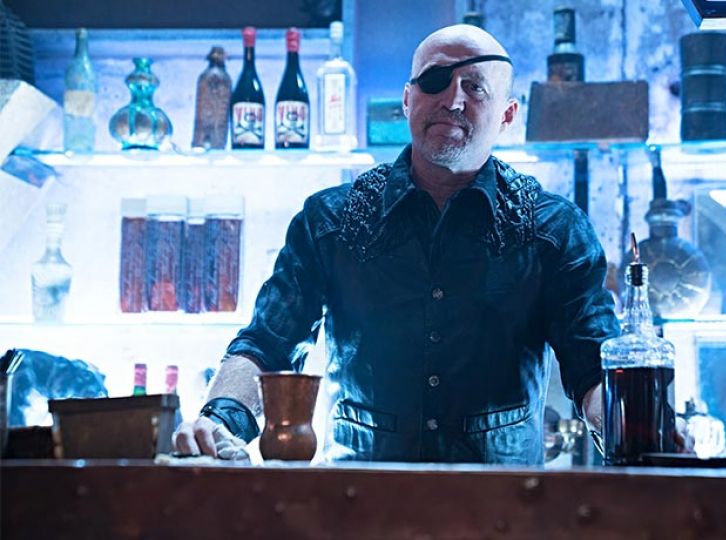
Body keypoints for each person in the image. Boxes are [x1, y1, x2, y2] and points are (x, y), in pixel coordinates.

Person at [174, 24, 619, 464]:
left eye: (475, 87)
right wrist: (219, 421)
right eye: (435, 80)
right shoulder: (329, 220)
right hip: (358, 498)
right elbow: (267, 345)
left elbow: (594, 365)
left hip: (504, 502)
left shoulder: (554, 229)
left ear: (507, 115)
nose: (453, 100)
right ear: (408, 99)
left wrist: (627, 422)